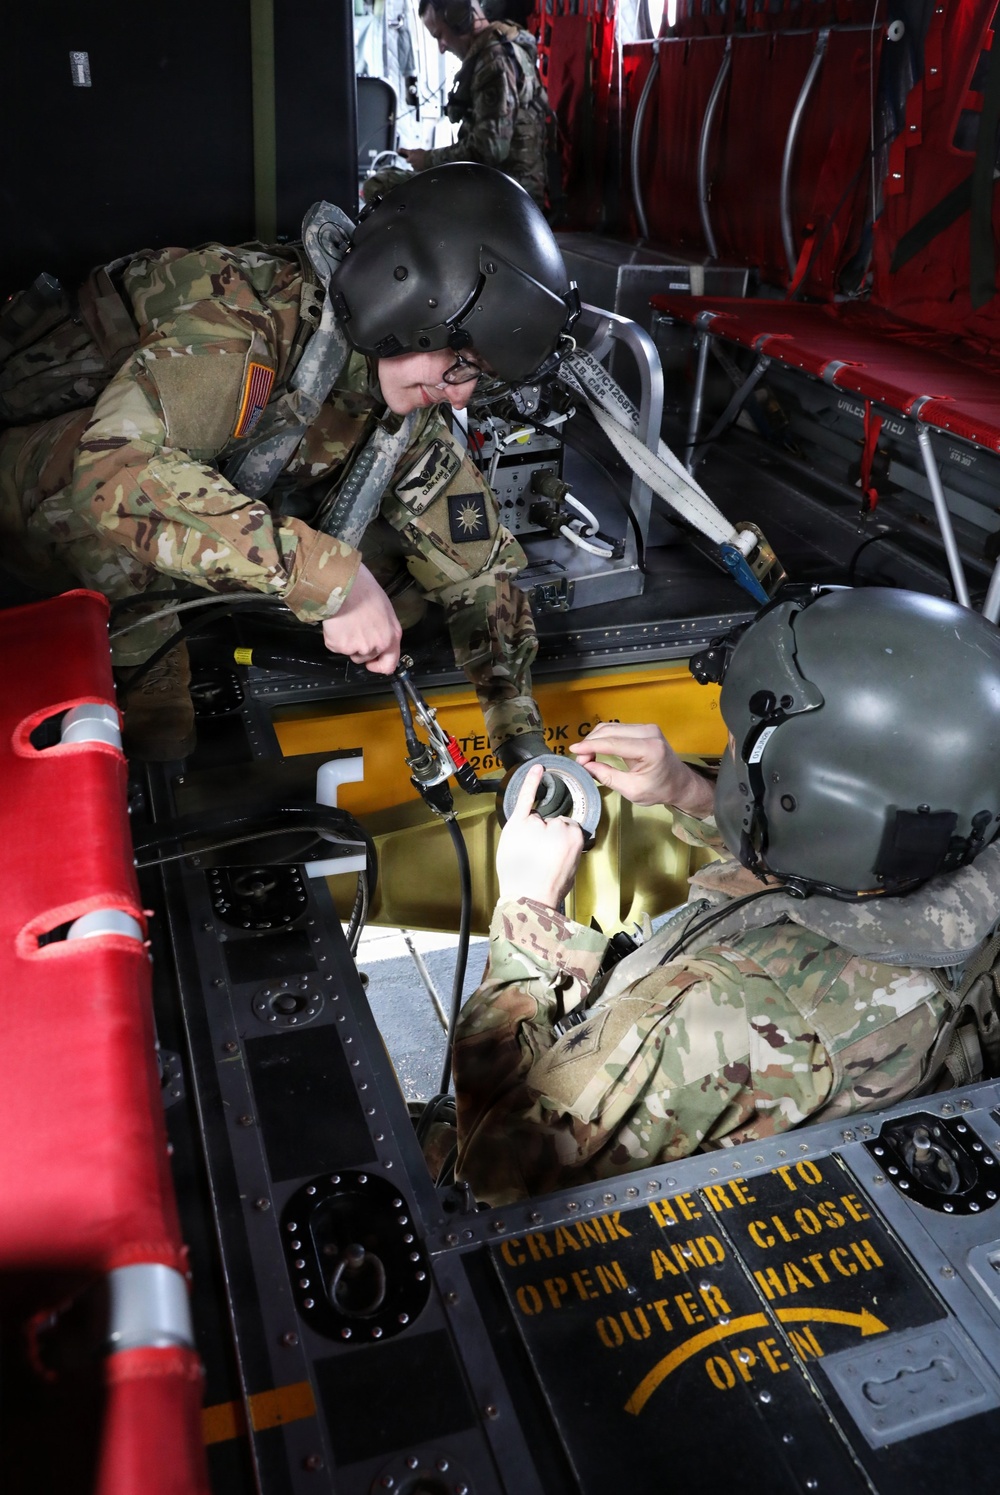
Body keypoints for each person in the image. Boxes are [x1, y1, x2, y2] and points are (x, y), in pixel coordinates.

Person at [0, 164, 577, 759]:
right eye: (461, 366)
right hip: (46, 489)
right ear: (401, 301)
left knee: (406, 596)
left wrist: (520, 738)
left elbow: (479, 572)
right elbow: (115, 472)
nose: (460, 394)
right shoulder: (243, 321)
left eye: (478, 379)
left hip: (196, 501)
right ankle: (146, 664)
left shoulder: (401, 391)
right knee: (96, 482)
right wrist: (332, 582)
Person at [452, 586, 1000, 1206]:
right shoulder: (957, 850)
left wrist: (530, 911)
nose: (730, 751)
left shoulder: (714, 1015)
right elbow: (840, 865)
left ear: (813, 805)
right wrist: (690, 791)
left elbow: (496, 1178)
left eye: (737, 746)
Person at [365, 0, 548, 209]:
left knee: (380, 185)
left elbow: (490, 149)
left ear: (459, 19)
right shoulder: (495, 52)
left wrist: (428, 160)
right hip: (499, 186)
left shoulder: (494, 62)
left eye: (439, 35)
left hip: (505, 196)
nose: (441, 47)